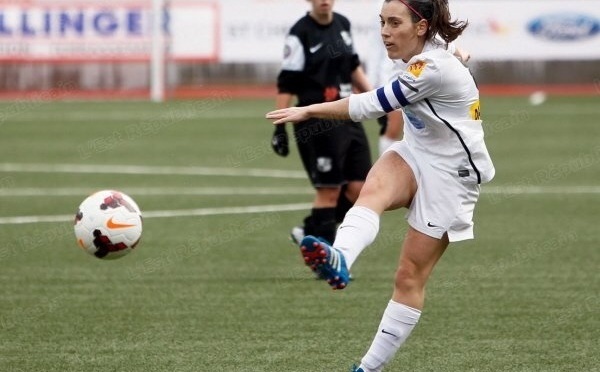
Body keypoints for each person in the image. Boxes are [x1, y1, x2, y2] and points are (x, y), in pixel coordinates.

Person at [266, 0, 495, 370]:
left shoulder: (430, 69)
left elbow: (371, 105)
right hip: (417, 152)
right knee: (369, 194)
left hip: (453, 176)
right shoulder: (430, 44)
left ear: (420, 27)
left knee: (408, 278)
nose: (385, 31)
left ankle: (368, 368)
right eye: (381, 22)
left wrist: (307, 109)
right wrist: (460, 52)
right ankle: (339, 257)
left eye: (394, 23)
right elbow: (453, 46)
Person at [271, 0, 373, 246]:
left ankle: (309, 228)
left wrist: (375, 100)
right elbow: (287, 83)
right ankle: (325, 260)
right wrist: (279, 127)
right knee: (329, 190)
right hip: (317, 121)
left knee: (361, 189)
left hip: (348, 114)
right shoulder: (300, 33)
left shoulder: (342, 24)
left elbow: (352, 67)